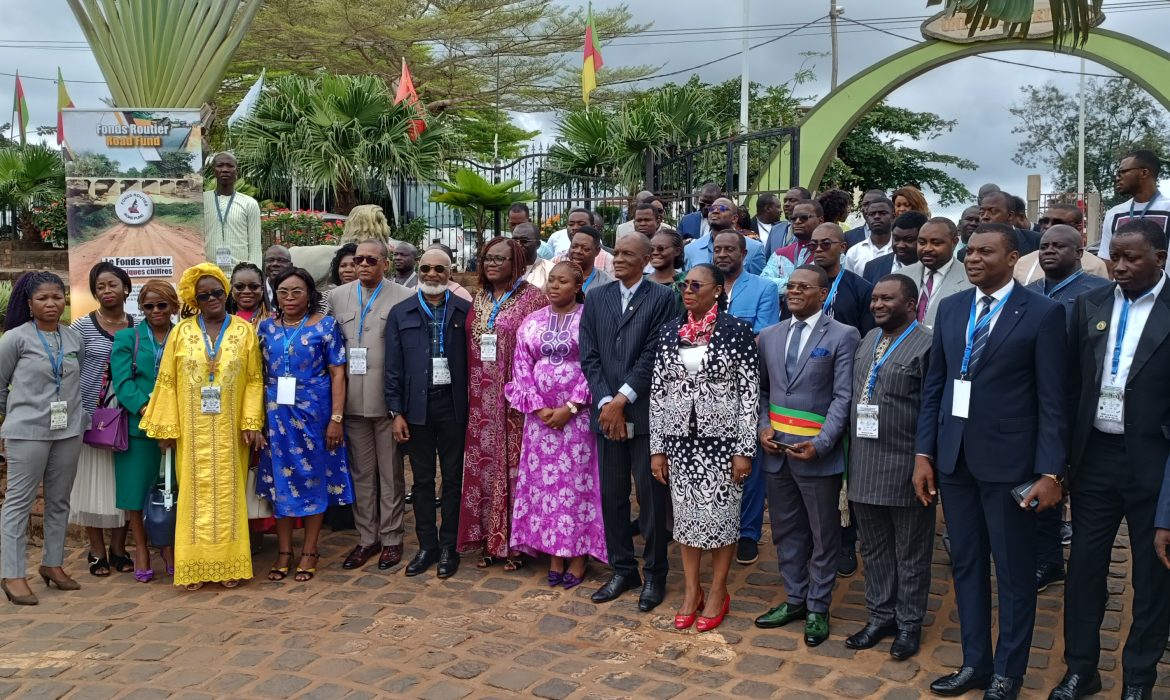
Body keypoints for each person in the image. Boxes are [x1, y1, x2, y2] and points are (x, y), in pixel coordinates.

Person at [913, 224, 1067, 699]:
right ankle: (975, 663)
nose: (973, 258)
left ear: (1014, 257)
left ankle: (1008, 672)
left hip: (1010, 466)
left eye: (986, 251)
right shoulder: (954, 307)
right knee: (967, 565)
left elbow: (1053, 400)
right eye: (970, 250)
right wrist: (924, 454)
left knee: (1014, 573)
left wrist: (1050, 472)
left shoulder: (1043, 314)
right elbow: (935, 386)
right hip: (954, 461)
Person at [1052, 219, 1170, 700]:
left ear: (1160, 258)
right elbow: (1072, 386)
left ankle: (1139, 678)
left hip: (1155, 465)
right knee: (1084, 569)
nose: (1118, 267)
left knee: (1153, 577)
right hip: (1095, 459)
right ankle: (1081, 668)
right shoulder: (1089, 304)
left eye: (1131, 258)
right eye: (1114, 257)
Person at [141, 263, 265, 590]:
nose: (212, 298)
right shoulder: (181, 332)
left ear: (227, 293)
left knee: (229, 495)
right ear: (194, 299)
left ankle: (228, 565)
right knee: (194, 496)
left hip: (230, 430)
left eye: (217, 292)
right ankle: (194, 566)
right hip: (191, 431)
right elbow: (166, 381)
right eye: (204, 294)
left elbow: (254, 379)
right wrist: (166, 428)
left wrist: (251, 421)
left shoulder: (243, 330)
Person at [754, 265, 860, 647]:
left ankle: (818, 606)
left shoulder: (844, 335)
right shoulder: (768, 335)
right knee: (785, 531)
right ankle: (795, 598)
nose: (794, 292)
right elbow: (762, 391)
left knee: (823, 533)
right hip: (776, 452)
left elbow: (843, 396)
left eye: (804, 287)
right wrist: (763, 427)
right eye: (791, 286)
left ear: (824, 292)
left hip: (816, 453)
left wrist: (823, 442)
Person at [649, 263, 758, 632]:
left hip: (722, 444)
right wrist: (657, 447)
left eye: (696, 284)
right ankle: (691, 590)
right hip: (680, 442)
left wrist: (745, 448)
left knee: (721, 520)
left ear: (717, 290)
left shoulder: (736, 331)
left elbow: (749, 395)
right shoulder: (669, 332)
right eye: (684, 284)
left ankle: (717, 590)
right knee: (687, 520)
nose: (687, 289)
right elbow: (659, 394)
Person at [581, 234, 678, 611]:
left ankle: (655, 573)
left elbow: (655, 353)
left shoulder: (663, 299)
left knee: (651, 499)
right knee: (611, 496)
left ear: (646, 259)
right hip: (608, 415)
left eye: (626, 254)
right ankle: (623, 569)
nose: (618, 259)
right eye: (616, 253)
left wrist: (623, 399)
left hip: (644, 413)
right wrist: (606, 401)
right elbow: (588, 354)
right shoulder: (597, 298)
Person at [844, 274, 934, 661]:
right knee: (875, 548)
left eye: (888, 299)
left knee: (911, 553)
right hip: (864, 462)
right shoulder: (867, 339)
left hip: (907, 465)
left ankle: (909, 624)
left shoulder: (929, 344)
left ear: (911, 304)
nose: (878, 305)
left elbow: (934, 410)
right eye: (875, 299)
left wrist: (926, 460)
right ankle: (880, 616)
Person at [506, 261, 607, 588]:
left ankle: (578, 557)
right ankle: (554, 554)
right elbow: (521, 365)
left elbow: (596, 366)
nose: (554, 286)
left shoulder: (590, 321)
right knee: (545, 487)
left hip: (577, 419)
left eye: (563, 281)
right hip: (539, 423)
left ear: (578, 286)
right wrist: (537, 406)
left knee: (576, 487)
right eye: (551, 280)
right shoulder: (531, 321)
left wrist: (570, 406)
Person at [1024, 224, 1109, 595]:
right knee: (1040, 479)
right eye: (1044, 245)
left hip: (1078, 405)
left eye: (1060, 245)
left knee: (1077, 487)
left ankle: (1091, 577)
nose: (1049, 251)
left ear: (1079, 253)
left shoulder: (1099, 293)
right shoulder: (1026, 293)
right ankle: (1048, 561)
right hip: (1033, 403)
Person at [256, 268, 353, 583]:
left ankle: (310, 550)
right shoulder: (265, 328)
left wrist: (336, 419)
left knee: (313, 479)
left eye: (297, 291)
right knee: (280, 483)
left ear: (310, 294)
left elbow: (338, 373)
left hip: (315, 415)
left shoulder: (325, 327)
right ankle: (285, 551)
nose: (289, 298)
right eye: (283, 291)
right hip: (275, 416)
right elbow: (256, 375)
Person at [457, 237, 549, 570]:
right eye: (487, 258)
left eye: (501, 258)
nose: (492, 263)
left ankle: (517, 544)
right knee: (484, 468)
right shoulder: (478, 298)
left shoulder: (534, 299)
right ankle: (488, 539)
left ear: (516, 263)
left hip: (516, 403)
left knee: (515, 471)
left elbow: (543, 352)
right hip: (480, 403)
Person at [0, 273, 86, 605]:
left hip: (69, 430)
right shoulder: (15, 339)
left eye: (57, 297)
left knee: (59, 499)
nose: (51, 304)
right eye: (43, 298)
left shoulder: (72, 338)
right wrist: (16, 415)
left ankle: (53, 564)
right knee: (19, 503)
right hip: (27, 432)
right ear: (29, 303)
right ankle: (12, 573)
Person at [386, 249, 470, 579]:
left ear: (450, 273)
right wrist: (396, 412)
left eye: (439, 268)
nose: (431, 274)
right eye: (425, 268)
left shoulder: (464, 310)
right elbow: (392, 367)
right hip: (415, 408)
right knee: (421, 481)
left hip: (452, 406)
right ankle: (427, 546)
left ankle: (449, 546)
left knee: (452, 478)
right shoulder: (401, 311)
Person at [330, 240, 413, 571]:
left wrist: (401, 408)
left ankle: (392, 538)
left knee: (391, 474)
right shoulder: (335, 297)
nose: (363, 264)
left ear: (385, 263)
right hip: (350, 403)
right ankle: (367, 538)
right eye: (358, 259)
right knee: (361, 474)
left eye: (370, 260)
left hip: (386, 403)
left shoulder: (405, 297)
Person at [711, 229, 779, 566]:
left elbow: (763, 335)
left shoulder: (764, 288)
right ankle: (719, 525)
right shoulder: (702, 285)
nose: (722, 255)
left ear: (743, 253)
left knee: (748, 460)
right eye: (717, 249)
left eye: (729, 249)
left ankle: (749, 532)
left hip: (747, 384)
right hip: (708, 389)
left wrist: (718, 351)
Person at [110, 280, 179, 583]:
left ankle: (168, 547)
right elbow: (123, 383)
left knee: (172, 492)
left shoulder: (185, 335)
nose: (155, 311)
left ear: (173, 305)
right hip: (139, 428)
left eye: (162, 305)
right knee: (136, 494)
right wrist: (151, 414)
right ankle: (140, 547)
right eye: (148, 306)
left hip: (179, 427)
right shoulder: (128, 338)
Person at [69, 262, 133, 577]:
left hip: (129, 419)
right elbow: (68, 372)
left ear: (126, 287)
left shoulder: (140, 326)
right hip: (93, 420)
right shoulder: (81, 327)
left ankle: (120, 549)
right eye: (100, 287)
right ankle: (97, 551)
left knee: (124, 485)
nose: (107, 291)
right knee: (93, 484)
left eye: (112, 284)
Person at [899, 217, 973, 328]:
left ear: (954, 242)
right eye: (922, 242)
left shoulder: (971, 281)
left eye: (936, 243)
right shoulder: (900, 276)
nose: (927, 248)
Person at [803, 223, 874, 337]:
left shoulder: (862, 289)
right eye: (813, 245)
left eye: (826, 244)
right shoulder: (799, 286)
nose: (818, 249)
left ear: (843, 247)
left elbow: (868, 336)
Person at [1098, 150, 1170, 262]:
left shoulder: (1167, 208)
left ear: (1144, 173)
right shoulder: (1114, 213)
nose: (1117, 178)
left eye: (1122, 172)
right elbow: (1107, 260)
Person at [1014, 203, 1110, 284]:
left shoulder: (1095, 265)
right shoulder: (1023, 262)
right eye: (1045, 221)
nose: (1048, 226)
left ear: (1079, 228)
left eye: (1057, 222)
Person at [204, 152, 262, 271]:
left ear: (237, 170)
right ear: (213, 170)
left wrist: (255, 275)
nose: (225, 169)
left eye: (230, 166)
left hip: (240, 276)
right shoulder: (202, 201)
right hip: (208, 274)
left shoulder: (249, 203)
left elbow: (255, 246)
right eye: (220, 165)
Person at [683, 197, 765, 275]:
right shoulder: (691, 249)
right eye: (711, 209)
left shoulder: (754, 248)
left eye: (722, 208)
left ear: (734, 218)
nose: (715, 211)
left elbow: (759, 284)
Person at [863, 212, 925, 286]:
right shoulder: (872, 267)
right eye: (896, 239)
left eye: (908, 240)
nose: (900, 245)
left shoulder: (930, 268)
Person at [979, 190, 1041, 256]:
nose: (985, 217)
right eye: (982, 212)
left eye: (993, 211)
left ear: (1010, 216)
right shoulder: (973, 243)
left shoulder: (1036, 241)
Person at [844, 198, 895, 275]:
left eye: (883, 213)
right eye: (872, 214)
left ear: (893, 216)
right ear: (867, 218)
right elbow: (849, 284)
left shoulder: (901, 250)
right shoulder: (854, 252)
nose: (876, 217)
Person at [567, 226, 614, 293]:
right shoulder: (557, 277)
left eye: (585, 249)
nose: (578, 251)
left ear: (597, 251)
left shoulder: (606, 284)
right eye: (574, 247)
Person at [228, 262, 271, 327]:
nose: (246, 291)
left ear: (262, 290)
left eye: (254, 287)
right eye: (239, 287)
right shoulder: (222, 320)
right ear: (232, 289)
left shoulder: (275, 320)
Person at [513, 223, 554, 289]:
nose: (518, 245)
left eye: (524, 241)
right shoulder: (504, 268)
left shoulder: (550, 270)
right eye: (515, 240)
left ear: (537, 244)